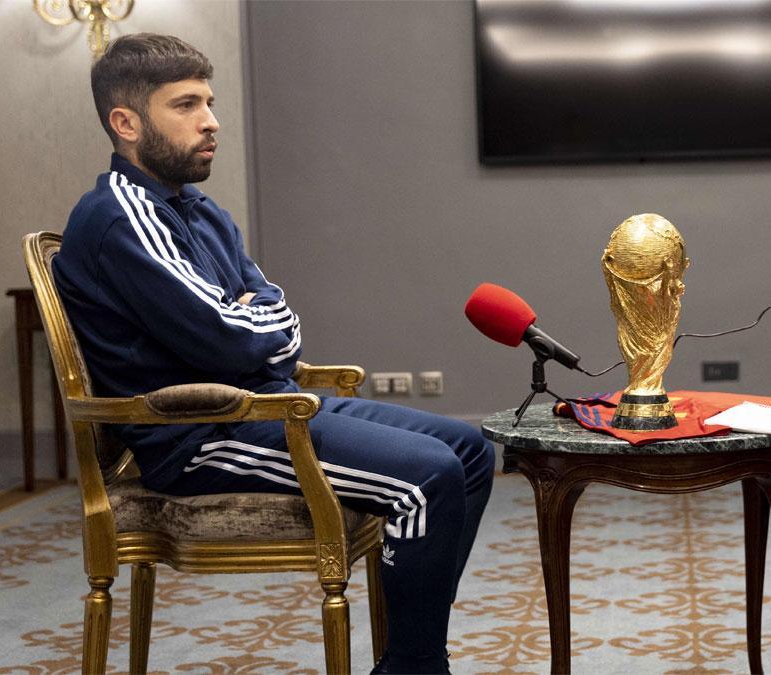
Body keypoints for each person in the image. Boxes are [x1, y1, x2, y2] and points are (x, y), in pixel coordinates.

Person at [54, 33, 493, 674]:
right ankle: (417, 667)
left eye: (209, 101)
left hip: (267, 405)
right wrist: (254, 330)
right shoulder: (121, 218)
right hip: (197, 433)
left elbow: (272, 315)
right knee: (427, 479)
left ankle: (409, 653)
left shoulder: (200, 212)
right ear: (126, 123)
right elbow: (232, 333)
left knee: (471, 451)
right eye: (185, 105)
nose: (211, 121)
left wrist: (253, 329)